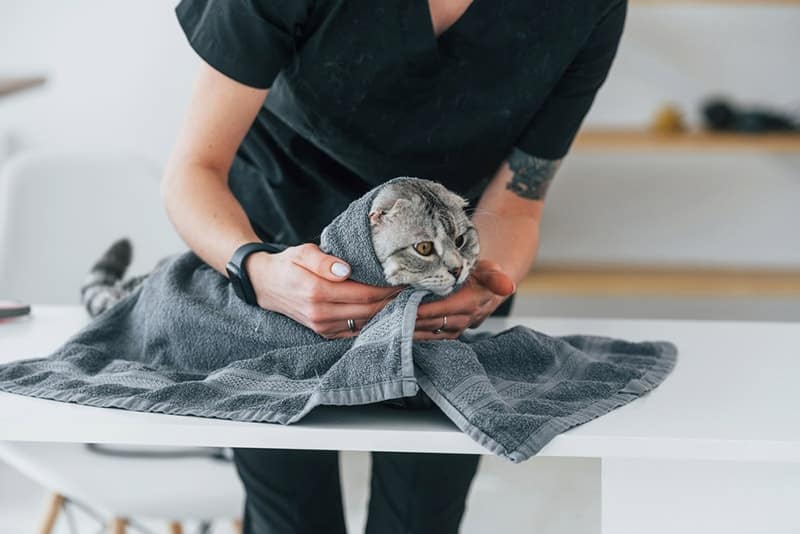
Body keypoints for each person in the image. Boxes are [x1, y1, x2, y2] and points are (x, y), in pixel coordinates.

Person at [163, 0, 627, 532]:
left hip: (443, 289)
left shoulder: (587, 10)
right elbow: (192, 172)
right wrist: (257, 271)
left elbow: (516, 204)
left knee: (421, 517)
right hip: (276, 265)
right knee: (289, 517)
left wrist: (481, 282)